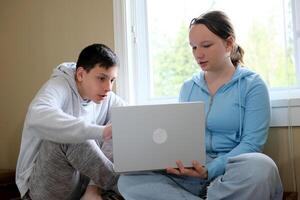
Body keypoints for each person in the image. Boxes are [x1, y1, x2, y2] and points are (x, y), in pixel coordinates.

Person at [117, 11, 283, 200]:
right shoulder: (188, 87)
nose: (198, 54)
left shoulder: (252, 85)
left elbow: (252, 144)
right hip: (190, 173)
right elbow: (180, 138)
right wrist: (173, 161)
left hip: (229, 172)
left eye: (206, 45)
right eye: (193, 47)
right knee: (128, 180)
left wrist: (210, 169)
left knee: (262, 167)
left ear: (229, 43)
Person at [16, 43, 125, 200]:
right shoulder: (59, 86)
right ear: (80, 74)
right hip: (43, 187)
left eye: (112, 80)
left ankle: (95, 192)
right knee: (71, 137)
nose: (108, 87)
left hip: (83, 183)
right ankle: (127, 188)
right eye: (101, 78)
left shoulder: (106, 96)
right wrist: (101, 131)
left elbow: (128, 120)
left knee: (120, 126)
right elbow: (36, 115)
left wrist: (93, 187)